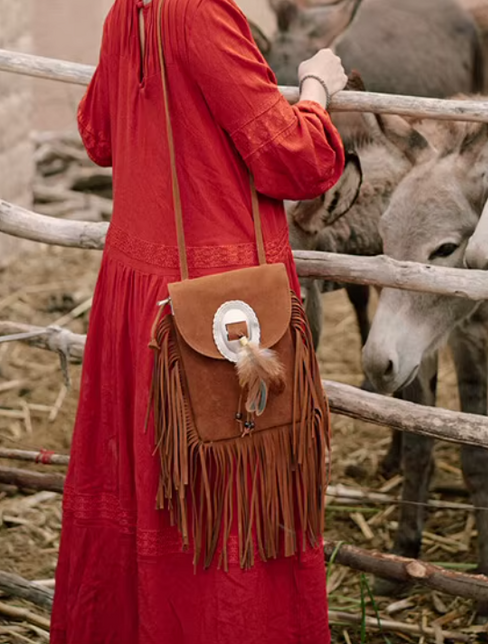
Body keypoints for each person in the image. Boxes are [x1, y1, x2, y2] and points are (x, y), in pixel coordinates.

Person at [49, 0, 348, 642]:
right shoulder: (202, 12)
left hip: (138, 296)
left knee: (152, 486)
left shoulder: (126, 11)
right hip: (216, 304)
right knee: (229, 501)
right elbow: (295, 159)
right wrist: (318, 87)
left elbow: (99, 137)